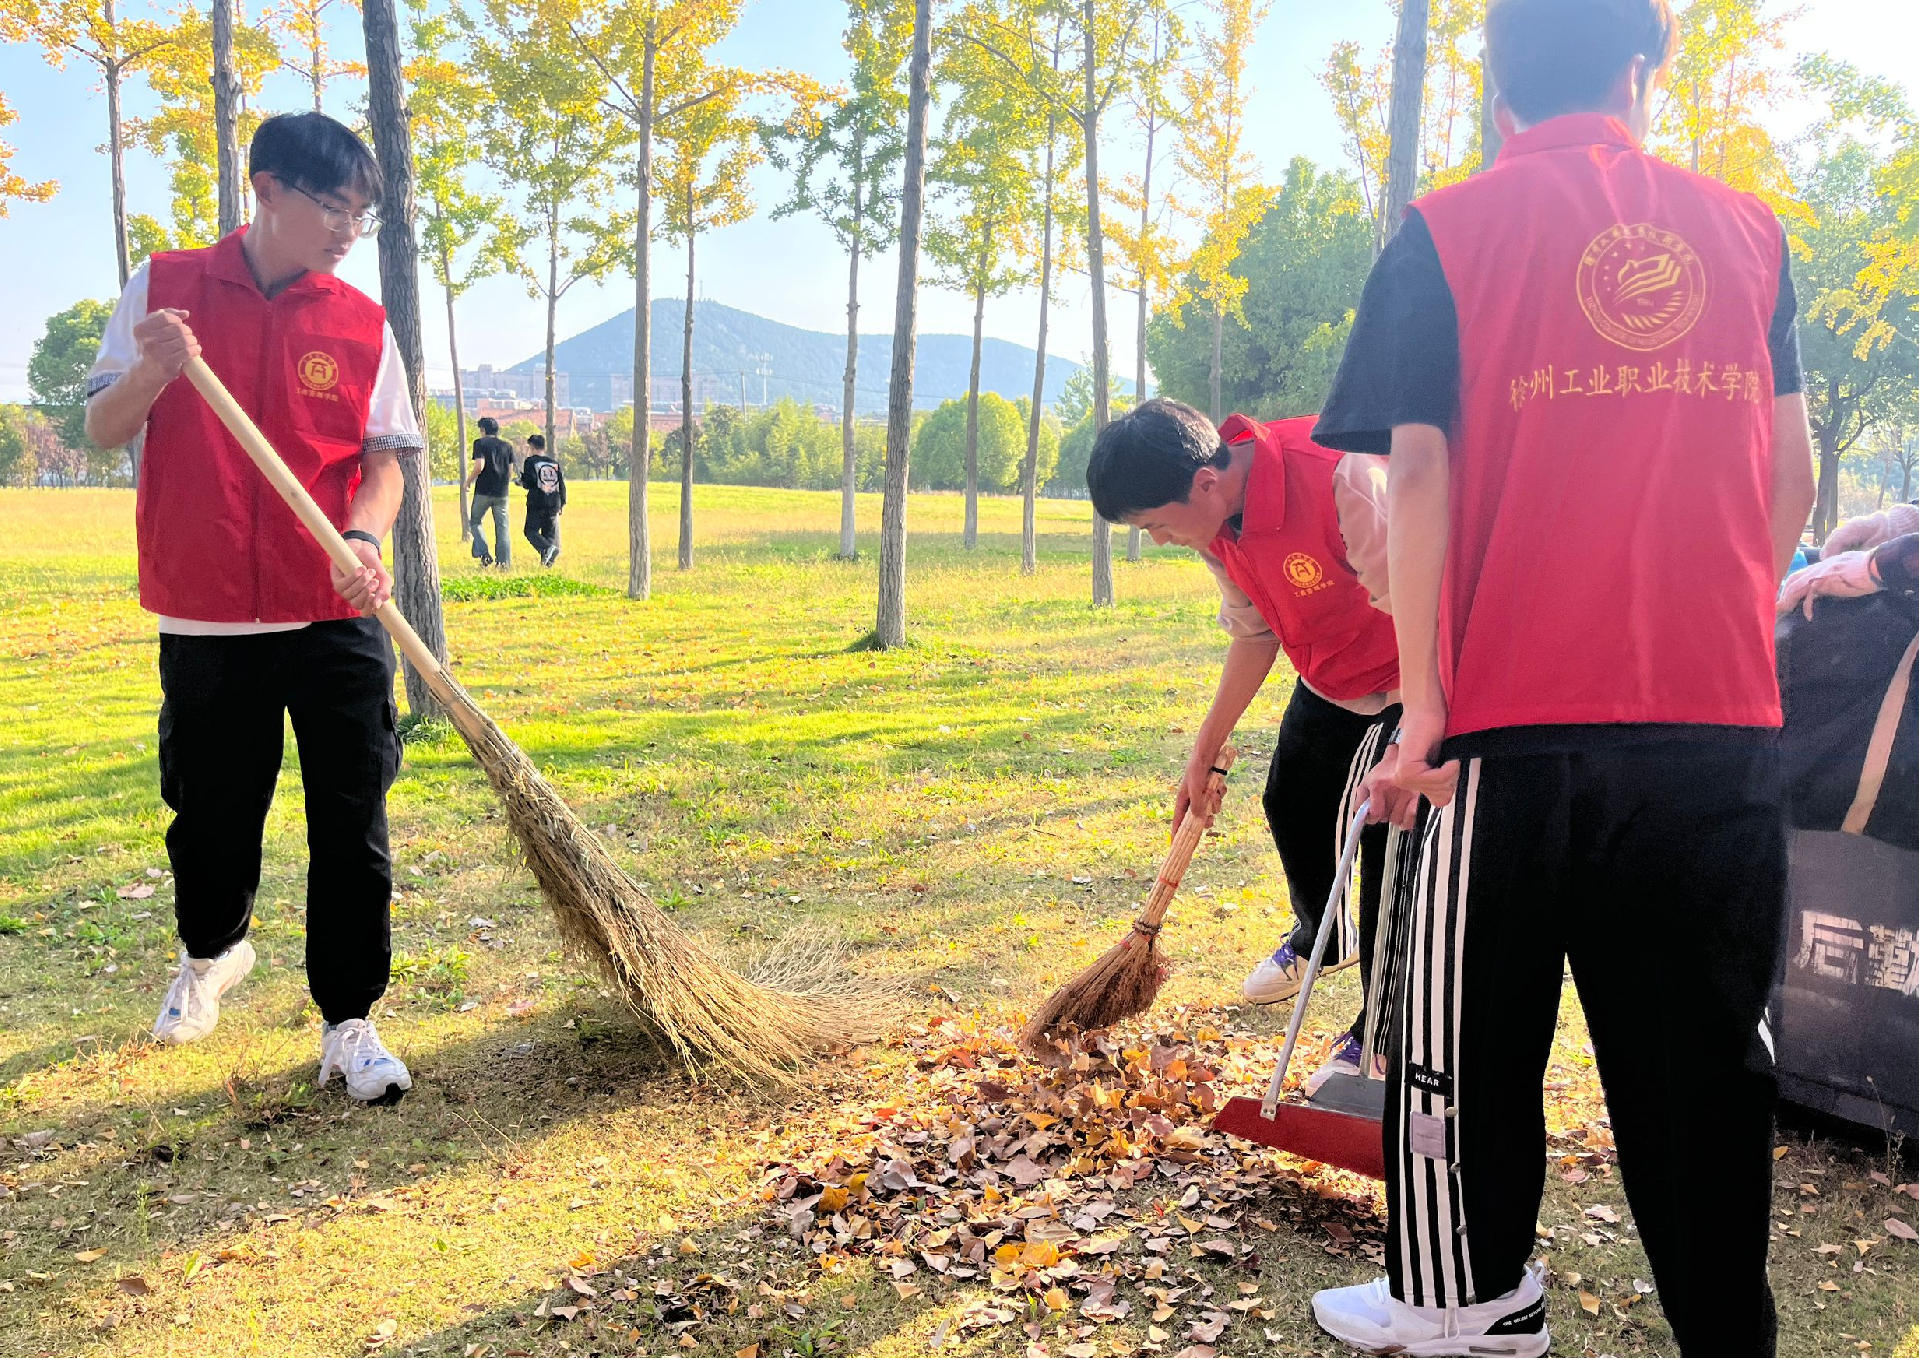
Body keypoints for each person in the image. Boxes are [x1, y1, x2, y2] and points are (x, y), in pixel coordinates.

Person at [1306, 0, 1813, 1355]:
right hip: (1714, 726)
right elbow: (1796, 475)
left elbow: (1416, 472)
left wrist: (1423, 706)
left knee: (1463, 1058)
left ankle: (1471, 1309)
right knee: (1702, 1068)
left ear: (1495, 83)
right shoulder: (1752, 234)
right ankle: (1728, 1337)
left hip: (1502, 736)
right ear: (1645, 69)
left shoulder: (1448, 230)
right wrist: (1702, 619)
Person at [84, 111, 419, 1104]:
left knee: (352, 812)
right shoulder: (165, 288)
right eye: (333, 204)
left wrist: (363, 536)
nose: (347, 227)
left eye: (361, 212)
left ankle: (350, 1018)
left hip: (331, 609)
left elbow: (384, 460)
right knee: (212, 818)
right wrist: (155, 366)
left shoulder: (360, 322)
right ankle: (211, 953)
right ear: (266, 188)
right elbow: (103, 426)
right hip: (209, 613)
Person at [1087, 398, 1411, 1094]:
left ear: (1204, 483)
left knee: (1388, 842)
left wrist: (1414, 740)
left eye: (1157, 526)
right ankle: (1325, 935)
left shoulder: (1338, 478)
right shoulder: (1215, 525)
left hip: (1413, 670)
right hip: (1330, 675)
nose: (1162, 542)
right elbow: (1255, 630)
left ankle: (1379, 1036)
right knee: (1290, 799)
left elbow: (1426, 608)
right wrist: (1205, 747)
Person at [465, 415, 515, 568]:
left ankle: (484, 553)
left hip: (483, 491)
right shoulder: (507, 446)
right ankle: (504, 563)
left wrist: (468, 481)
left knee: (475, 521)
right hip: (502, 492)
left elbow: (480, 465)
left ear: (483, 430)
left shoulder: (480, 443)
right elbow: (510, 470)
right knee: (502, 527)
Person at [519, 432, 566, 567]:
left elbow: (530, 482)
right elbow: (561, 484)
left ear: (532, 447)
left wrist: (522, 481)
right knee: (548, 534)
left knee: (530, 531)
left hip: (537, 502)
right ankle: (547, 564)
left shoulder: (530, 461)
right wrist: (562, 503)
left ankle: (548, 550)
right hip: (554, 502)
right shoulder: (554, 463)